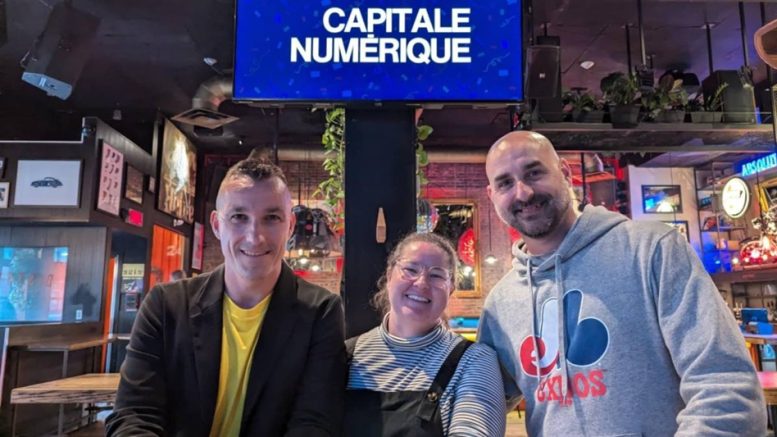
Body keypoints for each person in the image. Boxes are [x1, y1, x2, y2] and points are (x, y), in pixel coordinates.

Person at [478, 131, 766, 436]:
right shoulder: (502, 302)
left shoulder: (651, 250)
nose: (523, 193)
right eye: (505, 183)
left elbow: (726, 386)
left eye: (534, 172)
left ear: (565, 173)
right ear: (492, 196)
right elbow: (477, 399)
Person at [107, 158, 346, 436]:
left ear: (290, 225)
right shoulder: (166, 305)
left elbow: (314, 423)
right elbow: (134, 414)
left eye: (272, 218)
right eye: (239, 217)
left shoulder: (321, 312)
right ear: (217, 225)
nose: (254, 237)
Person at [344, 232, 506, 437]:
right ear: (389, 275)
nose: (421, 283)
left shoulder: (473, 361)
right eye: (410, 270)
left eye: (437, 275)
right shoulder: (346, 356)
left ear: (451, 288)